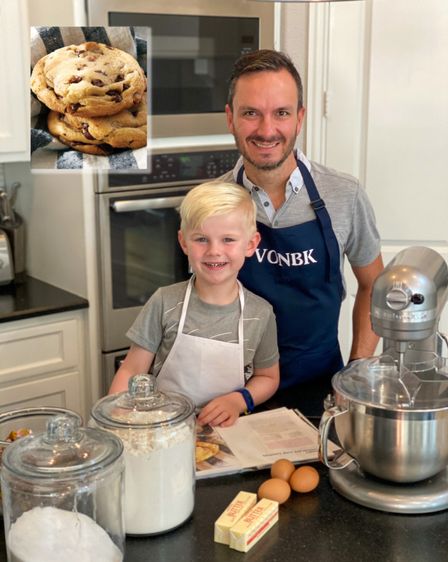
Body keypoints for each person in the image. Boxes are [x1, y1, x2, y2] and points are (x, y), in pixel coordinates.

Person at [221, 49, 384, 417]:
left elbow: (374, 285)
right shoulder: (211, 204)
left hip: (321, 391)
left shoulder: (345, 195)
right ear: (230, 118)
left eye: (281, 112)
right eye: (251, 113)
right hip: (232, 397)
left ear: (300, 119)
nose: (266, 130)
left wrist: (357, 370)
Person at [109, 181, 280, 427]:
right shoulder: (164, 301)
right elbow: (130, 371)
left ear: (251, 244)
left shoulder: (260, 314)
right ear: (184, 242)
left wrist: (238, 400)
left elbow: (268, 377)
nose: (214, 251)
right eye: (201, 239)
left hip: (226, 431)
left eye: (228, 239)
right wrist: (117, 422)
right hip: (163, 428)